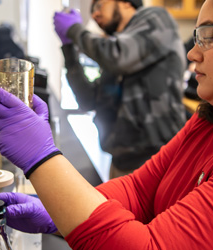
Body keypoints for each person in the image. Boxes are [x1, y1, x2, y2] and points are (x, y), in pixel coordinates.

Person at [0, 0, 213, 248]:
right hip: (122, 149)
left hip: (147, 141)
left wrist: (42, 159)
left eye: (209, 35)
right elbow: (138, 191)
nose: (193, 53)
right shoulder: (210, 120)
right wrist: (56, 208)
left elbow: (117, 55)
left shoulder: (152, 22)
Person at [53, 0, 187, 178]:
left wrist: (75, 30)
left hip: (159, 160)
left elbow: (117, 56)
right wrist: (69, 50)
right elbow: (88, 100)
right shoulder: (119, 45)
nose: (94, 15)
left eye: (99, 6)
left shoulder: (156, 19)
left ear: (125, 2)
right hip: (121, 162)